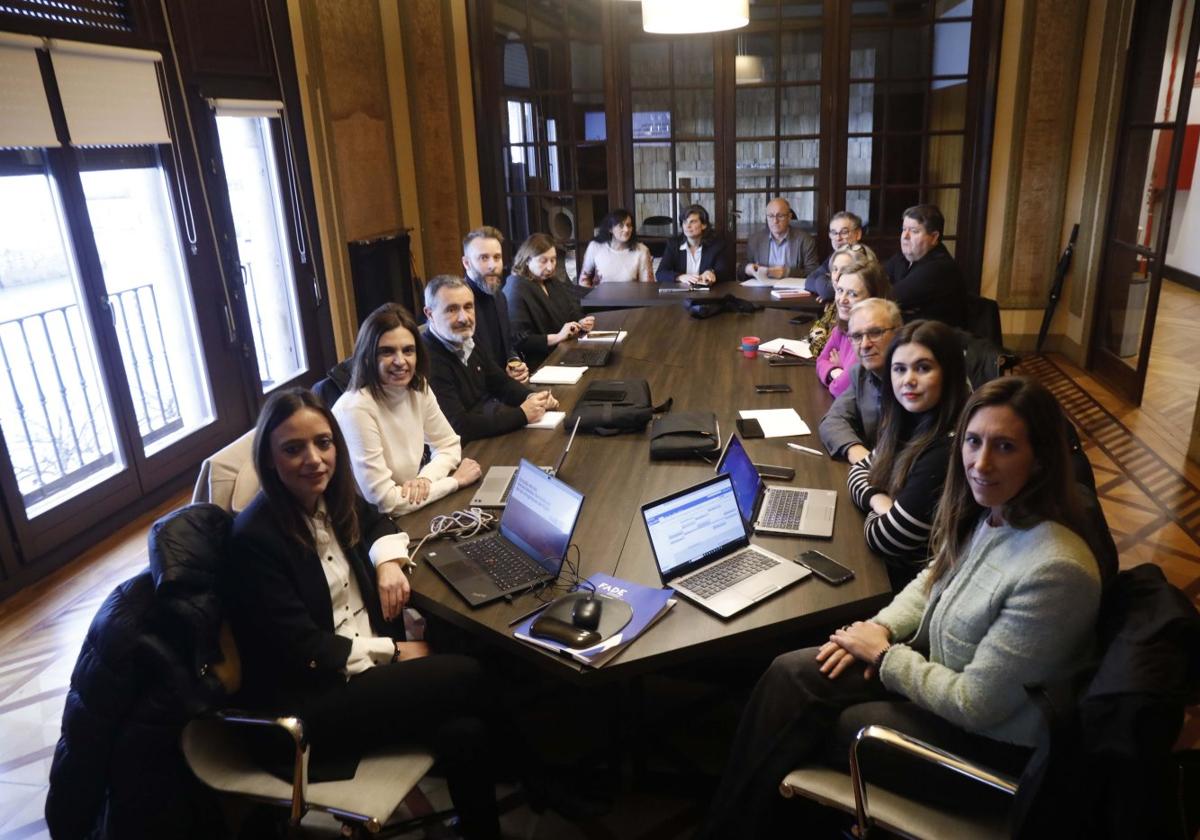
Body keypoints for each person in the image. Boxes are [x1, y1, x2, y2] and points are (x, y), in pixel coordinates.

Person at [701, 376, 1102, 839]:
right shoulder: (995, 514)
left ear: (1040, 461)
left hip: (992, 746)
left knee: (828, 726)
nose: (981, 462)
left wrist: (885, 657)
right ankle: (739, 819)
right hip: (935, 678)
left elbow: (976, 705)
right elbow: (930, 582)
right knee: (792, 672)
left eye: (1005, 447)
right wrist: (875, 630)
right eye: (973, 441)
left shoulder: (1057, 570)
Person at [227, 388, 502, 838]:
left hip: (357, 679)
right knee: (470, 671)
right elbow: (302, 648)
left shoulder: (330, 498)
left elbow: (378, 521)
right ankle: (542, 781)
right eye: (293, 449)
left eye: (323, 443)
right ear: (270, 460)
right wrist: (394, 651)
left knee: (466, 730)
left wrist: (388, 562)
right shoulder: (255, 540)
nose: (314, 459)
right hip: (311, 700)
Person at [847, 319, 970, 588]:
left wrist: (875, 501)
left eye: (923, 368)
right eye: (899, 369)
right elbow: (858, 470)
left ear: (949, 374)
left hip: (910, 587)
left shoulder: (946, 450)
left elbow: (883, 538)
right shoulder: (909, 420)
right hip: (885, 572)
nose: (908, 380)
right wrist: (881, 501)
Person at [332, 303, 481, 519]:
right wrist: (454, 482)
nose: (401, 361)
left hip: (409, 508)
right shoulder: (355, 409)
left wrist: (426, 479)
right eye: (387, 352)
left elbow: (448, 444)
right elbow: (384, 502)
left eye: (408, 350)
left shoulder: (418, 387)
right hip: (368, 525)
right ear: (367, 357)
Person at [421, 274, 557, 443]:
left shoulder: (466, 338)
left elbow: (500, 382)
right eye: (452, 309)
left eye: (468, 307)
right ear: (430, 314)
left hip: (484, 432)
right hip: (461, 451)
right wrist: (522, 414)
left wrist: (532, 398)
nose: (464, 318)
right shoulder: (426, 359)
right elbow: (458, 426)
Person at [818, 298, 903, 462]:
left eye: (875, 332)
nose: (864, 344)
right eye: (857, 336)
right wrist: (859, 454)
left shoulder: (913, 383)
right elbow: (832, 420)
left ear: (899, 333)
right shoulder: (861, 373)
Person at [504, 233, 596, 371]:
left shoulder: (550, 281)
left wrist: (581, 322)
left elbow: (571, 309)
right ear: (527, 260)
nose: (550, 267)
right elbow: (519, 340)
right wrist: (558, 337)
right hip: (539, 364)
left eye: (553, 260)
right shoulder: (516, 288)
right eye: (543, 261)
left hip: (563, 352)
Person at [461, 225, 528, 382]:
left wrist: (515, 364)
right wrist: (503, 378)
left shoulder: (499, 297)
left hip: (505, 388)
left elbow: (507, 345)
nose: (493, 265)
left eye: (497, 257)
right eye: (484, 258)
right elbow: (466, 367)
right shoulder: (459, 307)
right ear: (466, 263)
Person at [815, 257, 890, 398]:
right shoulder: (843, 326)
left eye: (852, 294)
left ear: (873, 297)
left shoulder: (873, 339)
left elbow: (840, 389)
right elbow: (820, 361)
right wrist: (837, 371)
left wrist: (838, 372)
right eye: (840, 290)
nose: (841, 299)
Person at [884, 204, 968, 328]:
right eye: (903, 229)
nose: (905, 236)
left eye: (914, 231)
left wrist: (895, 302)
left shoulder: (940, 267)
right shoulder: (904, 256)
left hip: (935, 340)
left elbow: (889, 298)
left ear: (934, 237)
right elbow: (877, 280)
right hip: (909, 331)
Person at [806, 242, 878, 357]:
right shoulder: (838, 299)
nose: (836, 277)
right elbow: (817, 329)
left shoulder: (865, 312)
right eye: (835, 269)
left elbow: (829, 353)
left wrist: (819, 340)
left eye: (845, 270)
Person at [742, 197, 820, 281]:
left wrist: (787, 272)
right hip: (763, 288)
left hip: (792, 290)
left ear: (789, 217)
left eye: (780, 216)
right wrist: (747, 269)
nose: (775, 221)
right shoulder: (755, 240)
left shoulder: (805, 240)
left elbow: (814, 273)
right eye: (771, 216)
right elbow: (740, 272)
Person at [654, 203, 730, 285]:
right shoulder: (674, 244)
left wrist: (711, 273)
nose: (687, 226)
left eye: (692, 222)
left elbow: (724, 273)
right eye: (684, 222)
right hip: (680, 294)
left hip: (708, 294)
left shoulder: (716, 245)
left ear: (704, 225)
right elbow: (660, 273)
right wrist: (680, 277)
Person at [579, 208, 654, 286]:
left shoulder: (641, 250)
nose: (626, 229)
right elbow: (584, 279)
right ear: (610, 229)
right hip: (600, 297)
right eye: (621, 226)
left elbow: (647, 286)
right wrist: (590, 297)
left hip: (632, 297)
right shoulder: (595, 247)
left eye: (629, 225)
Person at [804, 211, 864, 301]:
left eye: (844, 232)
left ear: (858, 234)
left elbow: (827, 291)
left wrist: (826, 287)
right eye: (834, 233)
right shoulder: (835, 256)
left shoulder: (861, 258)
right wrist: (825, 287)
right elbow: (809, 281)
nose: (838, 238)